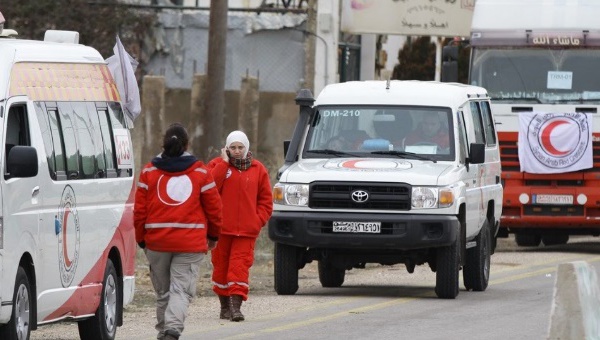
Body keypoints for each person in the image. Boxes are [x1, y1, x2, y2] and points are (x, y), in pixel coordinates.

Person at [134, 123, 223, 340]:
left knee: (163, 293)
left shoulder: (148, 172)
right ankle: (172, 331)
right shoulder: (201, 173)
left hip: (157, 243)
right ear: (187, 144)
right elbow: (215, 210)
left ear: (163, 143)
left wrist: (142, 240)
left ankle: (165, 332)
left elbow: (139, 212)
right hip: (190, 244)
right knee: (180, 291)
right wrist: (213, 236)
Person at [207, 130, 273, 322]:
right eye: (233, 147)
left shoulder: (258, 169)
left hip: (246, 231)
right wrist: (223, 163)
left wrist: (257, 220)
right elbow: (209, 189)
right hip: (221, 230)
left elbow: (266, 202)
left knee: (239, 267)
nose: (237, 151)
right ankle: (224, 306)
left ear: (247, 148)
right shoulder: (216, 165)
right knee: (220, 267)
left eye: (240, 147)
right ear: (226, 148)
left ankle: (236, 308)